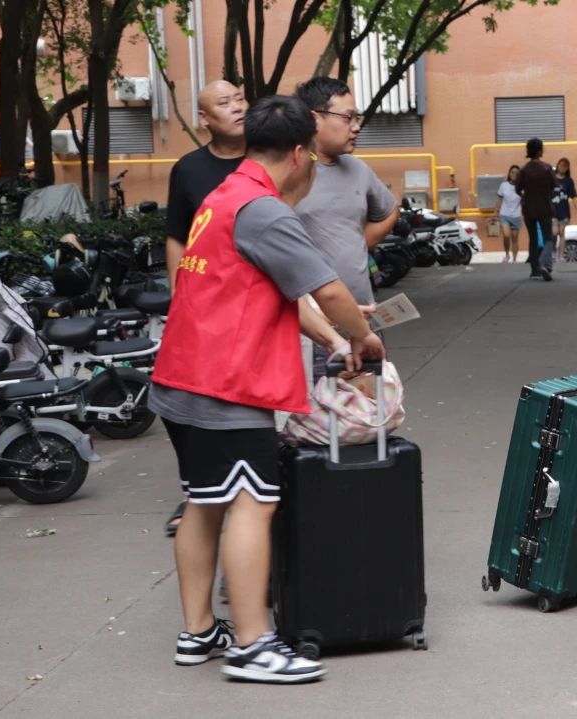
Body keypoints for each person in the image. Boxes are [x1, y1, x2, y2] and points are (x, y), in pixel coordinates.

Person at [151, 95, 385, 684]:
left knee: (205, 504)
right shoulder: (264, 211)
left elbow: (283, 293)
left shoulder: (224, 196)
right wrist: (362, 339)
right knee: (254, 503)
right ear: (301, 155)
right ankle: (253, 646)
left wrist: (333, 336)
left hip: (185, 378)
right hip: (225, 385)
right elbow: (327, 291)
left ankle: (198, 631)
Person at [162, 79, 248, 537]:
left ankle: (249, 490)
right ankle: (200, 490)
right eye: (224, 103)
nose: (237, 107)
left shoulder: (266, 160)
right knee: (192, 403)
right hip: (205, 310)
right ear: (204, 119)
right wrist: (180, 296)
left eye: (240, 98)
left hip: (256, 305)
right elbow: (177, 236)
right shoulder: (189, 169)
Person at [293, 77, 399, 374]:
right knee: (318, 402)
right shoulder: (290, 173)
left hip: (363, 322)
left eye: (357, 117)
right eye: (348, 117)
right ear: (315, 118)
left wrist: (357, 244)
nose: (356, 126)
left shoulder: (358, 168)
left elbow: (389, 211)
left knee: (369, 401)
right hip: (312, 327)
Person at [515, 137, 558, 280]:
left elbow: (517, 189)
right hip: (544, 207)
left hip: (528, 208)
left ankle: (534, 270)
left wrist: (526, 196)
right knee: (548, 238)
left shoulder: (523, 170)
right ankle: (544, 264)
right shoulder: (547, 168)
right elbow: (554, 185)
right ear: (540, 151)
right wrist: (547, 195)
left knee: (533, 239)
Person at [551, 157, 577, 262]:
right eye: (561, 165)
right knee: (554, 232)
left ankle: (561, 255)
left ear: (567, 168)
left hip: (564, 211)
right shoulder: (552, 179)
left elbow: (574, 196)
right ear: (558, 166)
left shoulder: (569, 181)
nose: (563, 168)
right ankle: (553, 251)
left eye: (565, 166)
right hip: (553, 210)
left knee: (562, 232)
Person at [495, 165, 523, 263]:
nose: (514, 174)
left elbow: (524, 201)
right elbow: (499, 199)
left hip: (516, 215)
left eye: (516, 173)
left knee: (515, 238)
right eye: (512, 172)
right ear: (509, 173)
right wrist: (496, 211)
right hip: (504, 214)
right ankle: (507, 254)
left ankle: (514, 259)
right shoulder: (504, 185)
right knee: (506, 235)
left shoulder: (521, 187)